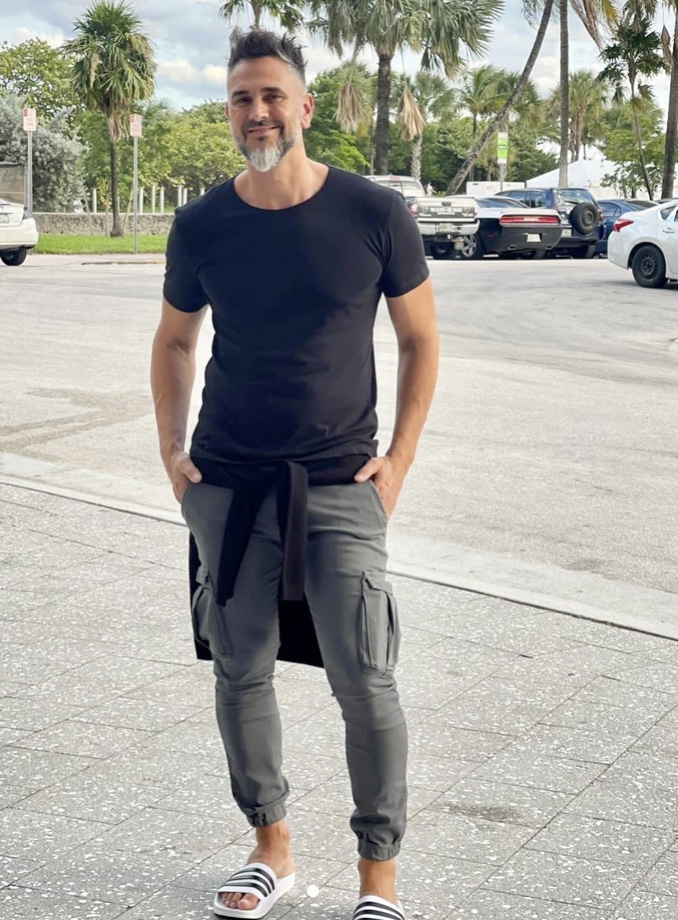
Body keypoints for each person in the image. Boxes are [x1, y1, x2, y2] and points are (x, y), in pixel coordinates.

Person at [150, 28, 438, 920]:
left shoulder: (373, 213)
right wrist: (173, 454)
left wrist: (398, 462)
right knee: (240, 672)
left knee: (365, 676)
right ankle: (269, 847)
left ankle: (378, 879)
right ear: (228, 113)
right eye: (242, 98)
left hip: (342, 482)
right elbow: (174, 341)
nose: (259, 112)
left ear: (305, 106)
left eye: (273, 95)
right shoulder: (203, 224)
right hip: (229, 486)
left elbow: (420, 339)